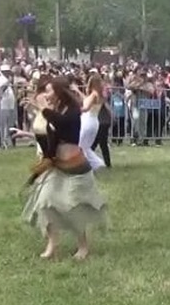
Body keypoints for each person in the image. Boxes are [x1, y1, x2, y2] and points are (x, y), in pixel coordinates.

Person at [21, 76, 109, 260]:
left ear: (60, 92)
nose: (46, 94)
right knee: (46, 203)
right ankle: (52, 245)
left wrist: (42, 108)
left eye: (50, 91)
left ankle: (83, 246)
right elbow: (47, 133)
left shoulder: (73, 110)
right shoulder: (56, 109)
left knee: (73, 208)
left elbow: (62, 123)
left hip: (76, 167)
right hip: (57, 166)